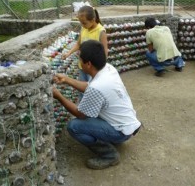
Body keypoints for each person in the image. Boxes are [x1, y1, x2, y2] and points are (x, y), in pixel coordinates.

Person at [53, 40, 141, 170]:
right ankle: (109, 138)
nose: (79, 62)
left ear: (88, 64)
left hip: (121, 132)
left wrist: (59, 96)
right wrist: (67, 80)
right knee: (89, 117)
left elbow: (80, 114)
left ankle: (109, 155)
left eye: (80, 59)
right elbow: (90, 87)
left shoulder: (97, 87)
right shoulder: (108, 69)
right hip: (129, 124)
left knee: (74, 126)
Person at [62, 5, 108, 100]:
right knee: (82, 91)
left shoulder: (101, 31)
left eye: (84, 23)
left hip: (94, 69)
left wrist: (101, 69)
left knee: (93, 91)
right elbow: (78, 44)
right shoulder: (84, 29)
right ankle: (82, 111)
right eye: (81, 23)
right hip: (82, 66)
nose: (82, 25)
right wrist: (68, 53)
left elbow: (104, 53)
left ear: (93, 20)